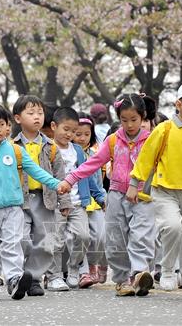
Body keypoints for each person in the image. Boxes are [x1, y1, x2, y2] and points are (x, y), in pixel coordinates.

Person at [126, 81, 182, 300]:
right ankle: (167, 269)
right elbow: (146, 156)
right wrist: (134, 182)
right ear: (178, 105)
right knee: (172, 228)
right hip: (164, 190)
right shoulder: (164, 129)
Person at [60, 94, 158, 297]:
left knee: (141, 235)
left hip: (143, 195)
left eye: (134, 120)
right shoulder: (113, 140)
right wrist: (70, 179)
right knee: (115, 239)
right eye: (124, 120)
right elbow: (93, 163)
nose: (129, 125)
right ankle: (122, 280)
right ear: (118, 118)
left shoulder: (152, 140)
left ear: (143, 117)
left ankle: (139, 273)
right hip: (116, 195)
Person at [0, 102, 62, 301]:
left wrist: (57, 184)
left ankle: (14, 280)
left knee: (12, 244)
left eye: (1, 124)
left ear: (8, 125)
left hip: (13, 207)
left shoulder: (16, 151)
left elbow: (36, 171)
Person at [12, 94, 68, 297]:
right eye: (31, 113)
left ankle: (34, 279)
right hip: (20, 200)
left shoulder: (51, 147)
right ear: (18, 118)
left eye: (40, 113)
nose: (37, 117)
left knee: (45, 242)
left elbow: (60, 176)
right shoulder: (12, 147)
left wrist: (65, 201)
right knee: (23, 239)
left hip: (47, 200)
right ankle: (19, 275)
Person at [45, 107, 106, 292]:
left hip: (78, 203)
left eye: (73, 131)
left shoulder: (78, 151)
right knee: (55, 241)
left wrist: (100, 197)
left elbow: (88, 175)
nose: (69, 134)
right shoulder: (47, 148)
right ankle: (54, 276)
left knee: (84, 236)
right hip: (55, 204)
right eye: (66, 129)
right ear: (54, 126)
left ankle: (74, 267)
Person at [74, 113, 107, 288]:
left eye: (86, 134)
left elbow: (100, 180)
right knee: (82, 237)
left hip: (96, 202)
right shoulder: (69, 154)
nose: (82, 138)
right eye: (78, 134)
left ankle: (96, 262)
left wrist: (103, 198)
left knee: (100, 236)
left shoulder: (97, 154)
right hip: (78, 202)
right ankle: (84, 271)